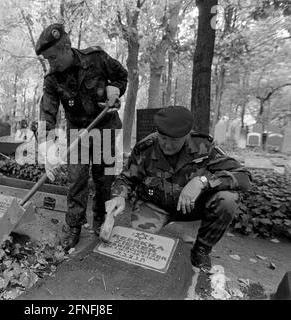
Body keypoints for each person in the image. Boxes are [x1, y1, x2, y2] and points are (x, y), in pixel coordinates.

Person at [106, 106, 252, 272]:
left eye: (174, 140)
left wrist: (203, 181)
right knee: (139, 244)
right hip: (155, 205)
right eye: (163, 138)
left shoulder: (203, 146)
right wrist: (119, 195)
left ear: (186, 135)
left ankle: (201, 250)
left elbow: (244, 177)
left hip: (192, 206)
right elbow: (126, 178)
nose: (167, 145)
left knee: (228, 199)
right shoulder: (145, 148)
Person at [35, 23, 128, 250]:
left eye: (54, 57)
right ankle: (74, 226)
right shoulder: (52, 79)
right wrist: (47, 150)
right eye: (47, 59)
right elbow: (47, 114)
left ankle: (100, 220)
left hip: (105, 128)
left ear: (67, 47)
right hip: (77, 133)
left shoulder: (96, 59)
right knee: (76, 180)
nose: (52, 63)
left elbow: (121, 76)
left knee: (104, 179)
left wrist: (115, 89)